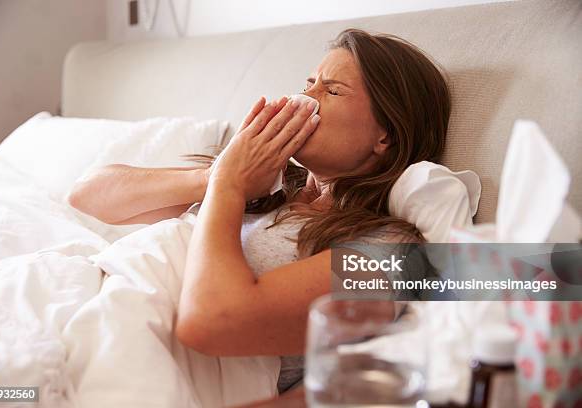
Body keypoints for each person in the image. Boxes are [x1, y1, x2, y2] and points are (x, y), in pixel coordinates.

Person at [68, 28, 451, 393]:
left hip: (144, 350)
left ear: (386, 134)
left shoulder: (393, 253)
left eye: (332, 90)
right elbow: (88, 194)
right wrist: (216, 177)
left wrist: (228, 187)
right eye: (308, 84)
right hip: (82, 299)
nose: (305, 99)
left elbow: (212, 324)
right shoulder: (261, 182)